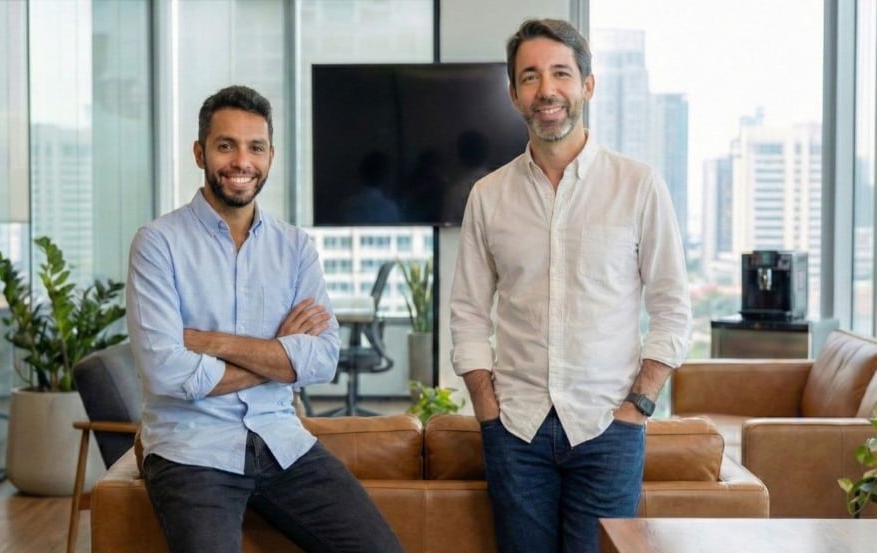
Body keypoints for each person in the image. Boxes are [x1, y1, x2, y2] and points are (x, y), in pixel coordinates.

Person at [126, 85, 404, 553]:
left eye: (255, 147)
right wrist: (278, 356)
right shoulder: (157, 244)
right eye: (226, 145)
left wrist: (212, 342)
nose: (242, 161)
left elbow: (322, 360)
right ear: (199, 153)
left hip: (282, 441)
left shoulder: (295, 248)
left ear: (270, 156)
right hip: (191, 450)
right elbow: (165, 371)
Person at [449, 18, 691, 552]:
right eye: (530, 77)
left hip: (609, 431)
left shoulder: (638, 186)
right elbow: (467, 312)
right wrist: (488, 411)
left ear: (588, 85)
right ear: (514, 94)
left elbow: (672, 308)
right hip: (515, 432)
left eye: (561, 73)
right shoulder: (488, 196)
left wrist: (638, 407)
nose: (546, 90)